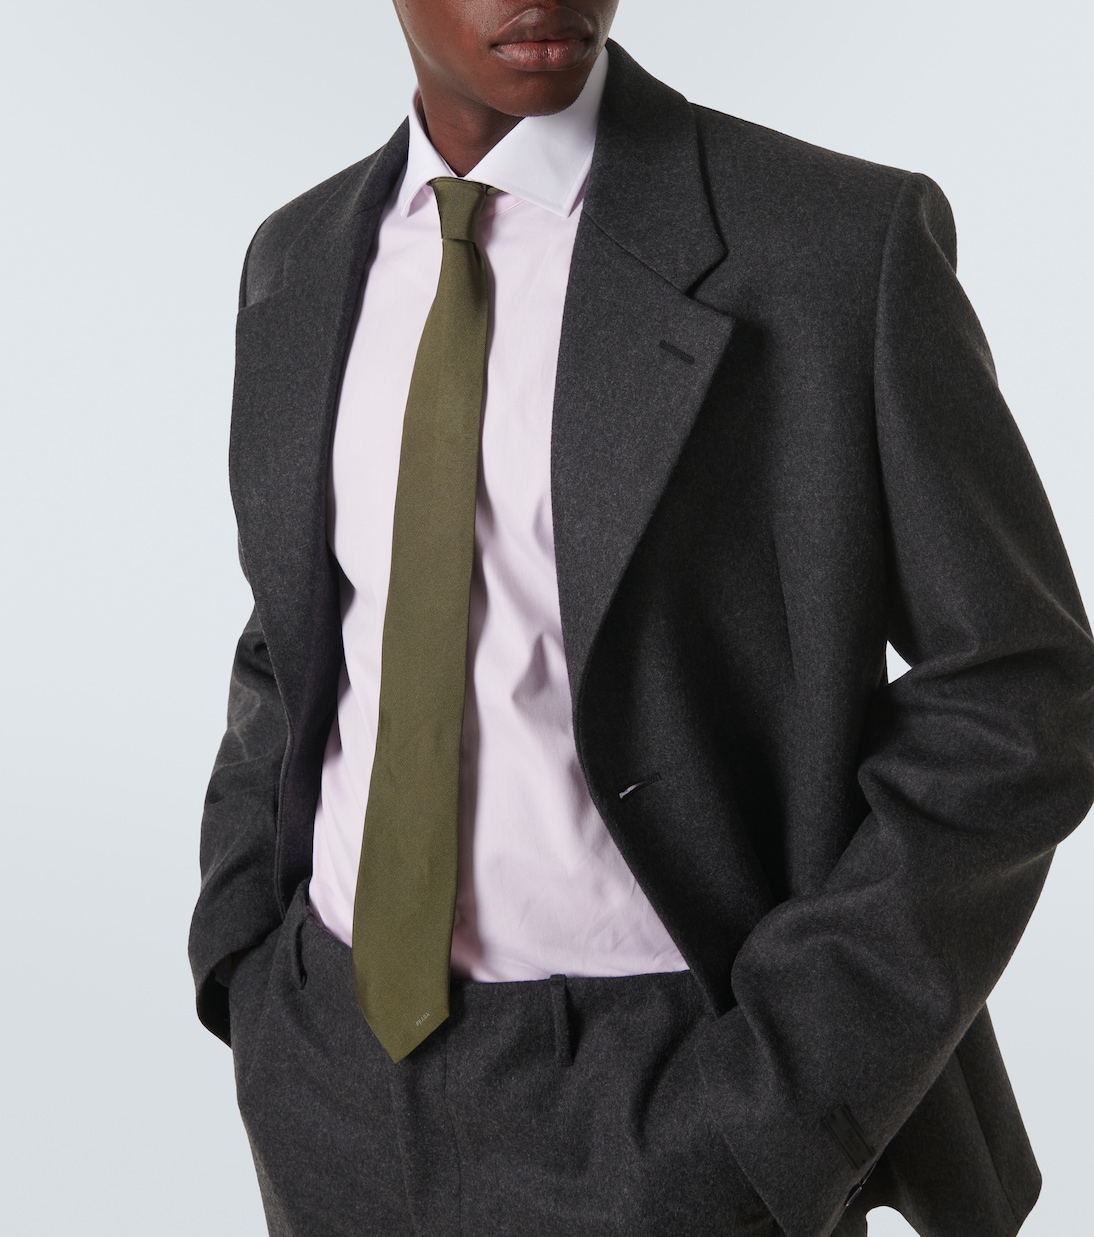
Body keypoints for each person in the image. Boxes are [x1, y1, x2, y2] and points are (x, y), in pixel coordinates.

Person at [188, 2, 1094, 1235]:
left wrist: (777, 1095)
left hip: (673, 1091)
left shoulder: (831, 244)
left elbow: (1018, 692)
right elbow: (298, 627)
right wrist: (245, 957)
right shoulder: (294, 257)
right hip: (328, 1073)